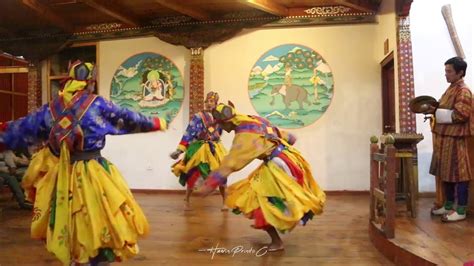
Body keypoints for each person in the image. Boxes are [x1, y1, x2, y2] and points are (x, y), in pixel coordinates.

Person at [0, 61, 169, 265]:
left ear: (69, 79)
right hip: (93, 171)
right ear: (91, 81)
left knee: (68, 221)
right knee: (99, 220)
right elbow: (127, 118)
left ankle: (74, 257)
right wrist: (157, 122)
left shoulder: (52, 108)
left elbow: (24, 127)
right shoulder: (97, 104)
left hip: (62, 174)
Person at [199, 102, 326, 251]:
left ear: (226, 122)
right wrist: (288, 138)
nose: (221, 129)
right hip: (288, 156)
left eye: (220, 124)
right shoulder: (252, 119)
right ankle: (286, 222)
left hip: (278, 164)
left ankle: (279, 237)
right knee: (264, 196)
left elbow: (232, 162)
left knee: (258, 201)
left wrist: (210, 184)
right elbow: (281, 134)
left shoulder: (243, 136)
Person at [428, 57, 473, 222]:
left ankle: (461, 209)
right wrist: (433, 108)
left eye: (449, 71)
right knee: (445, 173)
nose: (445, 74)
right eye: (445, 70)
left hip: (456, 139)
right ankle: (447, 206)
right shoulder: (451, 89)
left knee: (459, 174)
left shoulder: (463, 91)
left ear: (460, 72)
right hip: (445, 138)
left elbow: (461, 114)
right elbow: (444, 108)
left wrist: (437, 113)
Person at [170, 92, 227, 210]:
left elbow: (220, 132)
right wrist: (180, 150)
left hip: (215, 149)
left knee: (221, 175)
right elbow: (189, 132)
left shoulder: (219, 118)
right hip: (199, 149)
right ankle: (186, 200)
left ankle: (224, 202)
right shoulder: (198, 117)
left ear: (216, 104)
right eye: (207, 101)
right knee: (193, 174)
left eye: (211, 102)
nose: (208, 104)